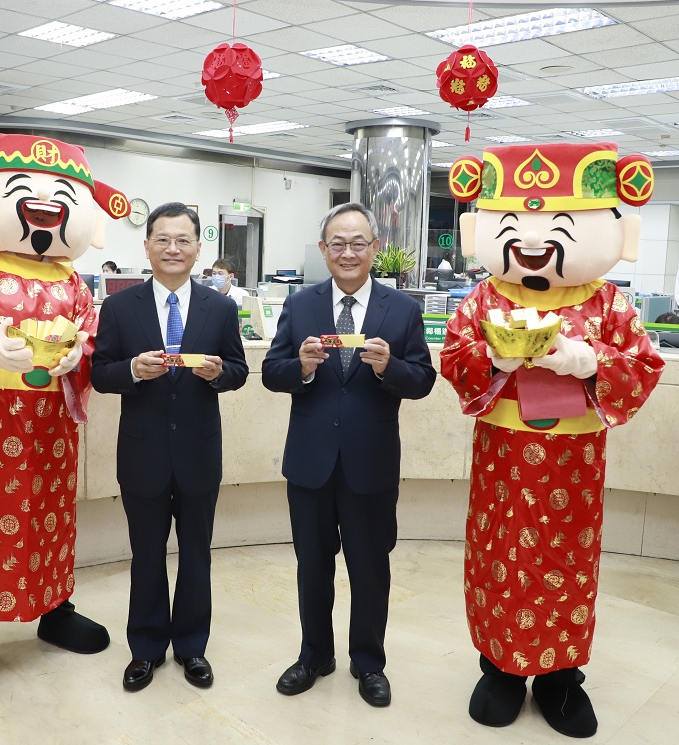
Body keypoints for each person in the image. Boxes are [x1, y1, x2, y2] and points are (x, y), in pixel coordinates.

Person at [441, 142, 665, 738]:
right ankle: (500, 667)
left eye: (560, 226)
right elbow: (453, 355)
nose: (533, 241)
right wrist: (490, 356)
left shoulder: (608, 301)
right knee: (498, 557)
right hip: (503, 460)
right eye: (514, 225)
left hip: (574, 461)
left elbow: (643, 364)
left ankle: (561, 675)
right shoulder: (487, 296)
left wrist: (587, 361)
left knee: (566, 562)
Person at [0, 131, 132, 702]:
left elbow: (91, 338)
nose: (46, 204)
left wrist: (75, 357)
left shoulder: (74, 282)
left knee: (51, 519)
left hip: (51, 428)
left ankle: (54, 608)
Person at [262, 202, 436, 707]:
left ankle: (368, 662)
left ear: (375, 250)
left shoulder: (401, 310)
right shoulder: (301, 305)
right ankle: (314, 654)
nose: (348, 253)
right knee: (311, 566)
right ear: (323, 250)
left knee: (370, 568)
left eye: (358, 243)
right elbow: (272, 374)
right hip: (311, 464)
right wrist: (303, 366)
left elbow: (423, 381)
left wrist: (388, 369)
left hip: (371, 465)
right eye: (337, 243)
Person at [90, 202, 249, 693]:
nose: (173, 248)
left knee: (197, 553)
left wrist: (219, 373)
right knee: (146, 554)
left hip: (200, 452)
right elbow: (99, 375)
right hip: (143, 454)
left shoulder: (220, 307)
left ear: (199, 247)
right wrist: (133, 371)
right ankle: (145, 649)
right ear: (147, 246)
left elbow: (240, 370)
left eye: (183, 240)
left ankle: (192, 646)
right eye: (163, 239)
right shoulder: (119, 307)